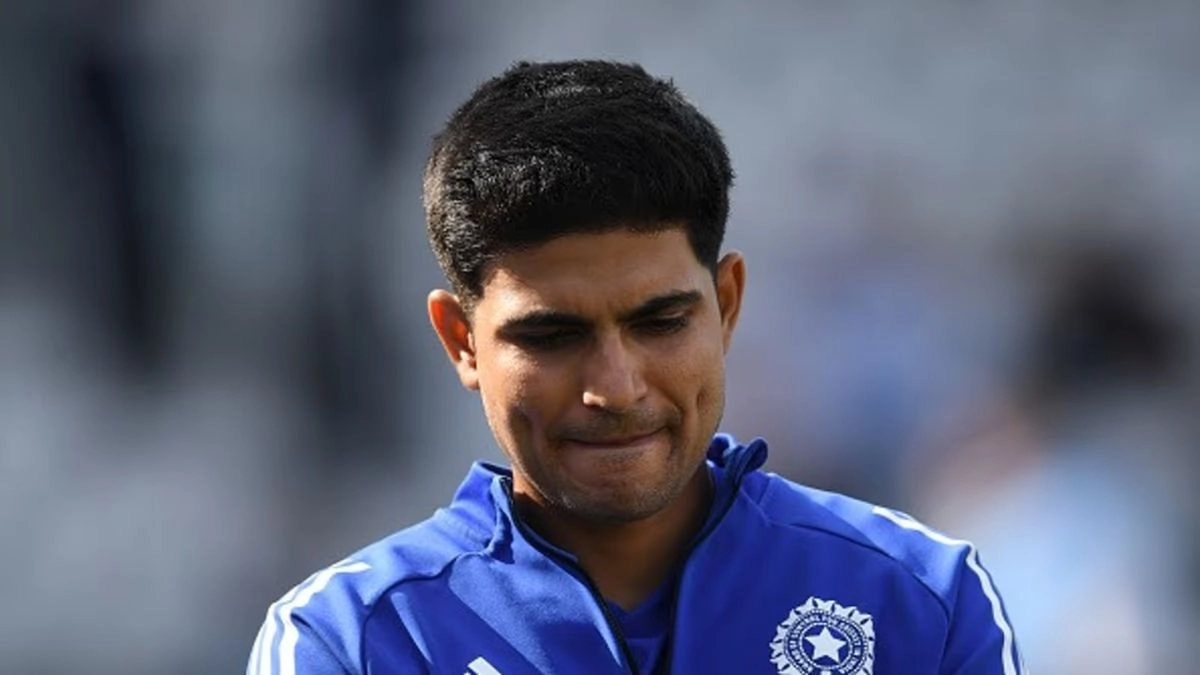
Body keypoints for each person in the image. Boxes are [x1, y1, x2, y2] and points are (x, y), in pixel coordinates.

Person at [248, 59, 1025, 675]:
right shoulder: (353, 640)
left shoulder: (920, 598)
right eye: (552, 335)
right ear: (462, 342)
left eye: (660, 322)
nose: (615, 387)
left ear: (727, 304)